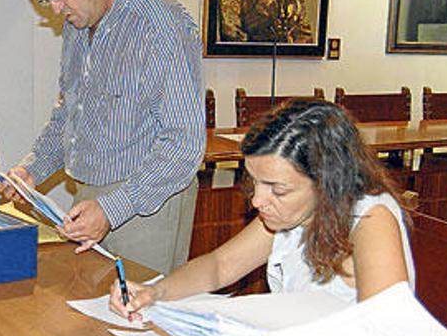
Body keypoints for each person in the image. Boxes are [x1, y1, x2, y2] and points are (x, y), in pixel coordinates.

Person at [0, 0, 205, 274]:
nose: (54, 8)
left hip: (147, 205)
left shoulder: (161, 28)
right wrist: (33, 170)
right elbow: (69, 114)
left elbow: (184, 144)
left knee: (136, 321)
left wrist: (112, 208)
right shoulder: (79, 26)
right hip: (90, 197)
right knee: (89, 321)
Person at [110, 99, 415, 318]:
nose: (257, 200)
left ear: (326, 182)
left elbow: (385, 328)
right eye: (254, 181)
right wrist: (156, 292)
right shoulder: (292, 212)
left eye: (277, 189)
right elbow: (219, 266)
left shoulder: (370, 219)